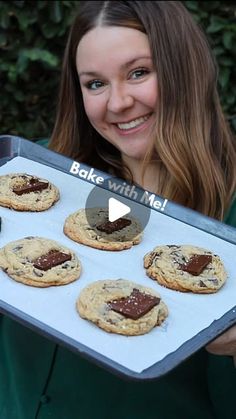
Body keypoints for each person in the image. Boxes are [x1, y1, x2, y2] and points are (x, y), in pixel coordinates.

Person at [0, 1, 235, 418]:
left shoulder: (227, 222)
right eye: (95, 84)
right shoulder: (50, 184)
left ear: (186, 72)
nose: (118, 103)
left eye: (139, 73)